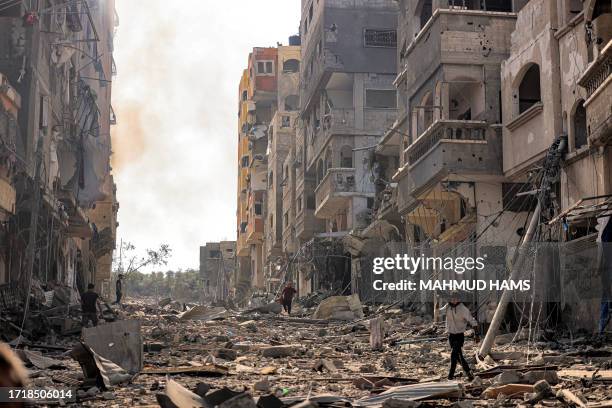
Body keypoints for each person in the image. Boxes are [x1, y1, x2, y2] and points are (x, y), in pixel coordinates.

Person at [440, 293, 478, 381]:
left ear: (459, 299)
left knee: (453, 355)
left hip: (459, 336)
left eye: (455, 298)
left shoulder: (463, 309)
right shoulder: (447, 307)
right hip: (451, 336)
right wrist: (438, 301)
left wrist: (476, 334)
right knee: (459, 356)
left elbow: (472, 321)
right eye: (452, 298)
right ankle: (469, 373)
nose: (453, 300)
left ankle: (450, 376)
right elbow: (438, 312)